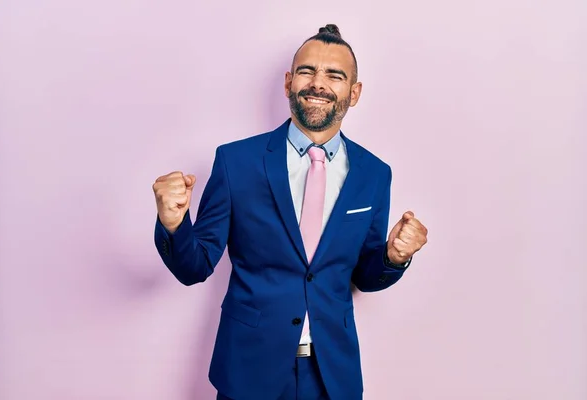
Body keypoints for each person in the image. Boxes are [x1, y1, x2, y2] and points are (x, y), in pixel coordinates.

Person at [152, 24, 428, 400]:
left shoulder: (375, 175)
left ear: (355, 92)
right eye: (306, 71)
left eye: (335, 75)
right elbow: (194, 267)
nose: (318, 83)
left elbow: (364, 276)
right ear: (288, 83)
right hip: (249, 369)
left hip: (331, 375)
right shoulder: (236, 162)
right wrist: (173, 225)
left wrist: (394, 258)